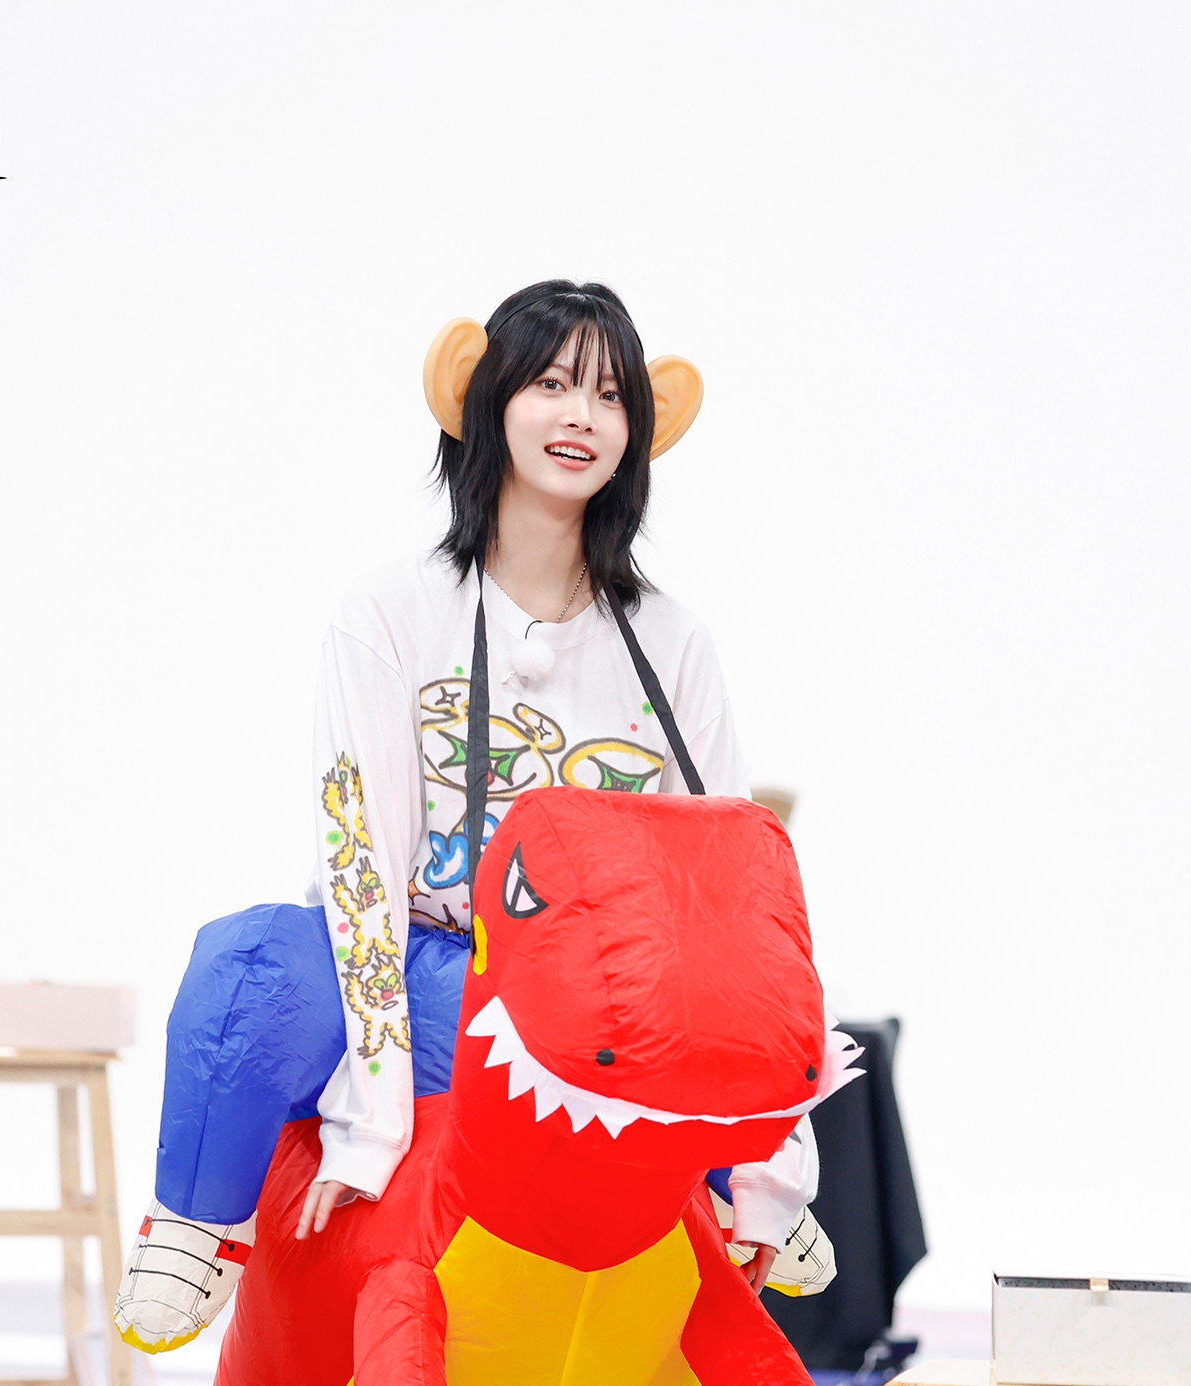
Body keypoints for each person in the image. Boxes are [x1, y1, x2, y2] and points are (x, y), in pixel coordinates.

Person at [297, 277, 817, 1286]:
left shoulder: (671, 639)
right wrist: (372, 1127)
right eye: (550, 383)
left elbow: (734, 904)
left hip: (607, 1007)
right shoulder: (390, 612)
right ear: (485, 399)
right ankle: (196, 1223)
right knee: (255, 964)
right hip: (445, 975)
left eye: (611, 395)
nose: (581, 414)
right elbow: (363, 869)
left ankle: (747, 1188)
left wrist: (767, 1172)